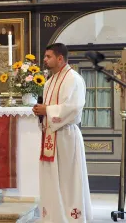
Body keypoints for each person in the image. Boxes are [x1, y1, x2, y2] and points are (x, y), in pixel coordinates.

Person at [32, 43, 92, 222]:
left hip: (66, 136)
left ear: (60, 58)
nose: (44, 60)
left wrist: (47, 111)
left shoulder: (73, 79)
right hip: (50, 136)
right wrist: (41, 112)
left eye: (48, 56)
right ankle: (54, 217)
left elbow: (74, 107)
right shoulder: (49, 81)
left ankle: (71, 217)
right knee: (51, 179)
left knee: (69, 180)